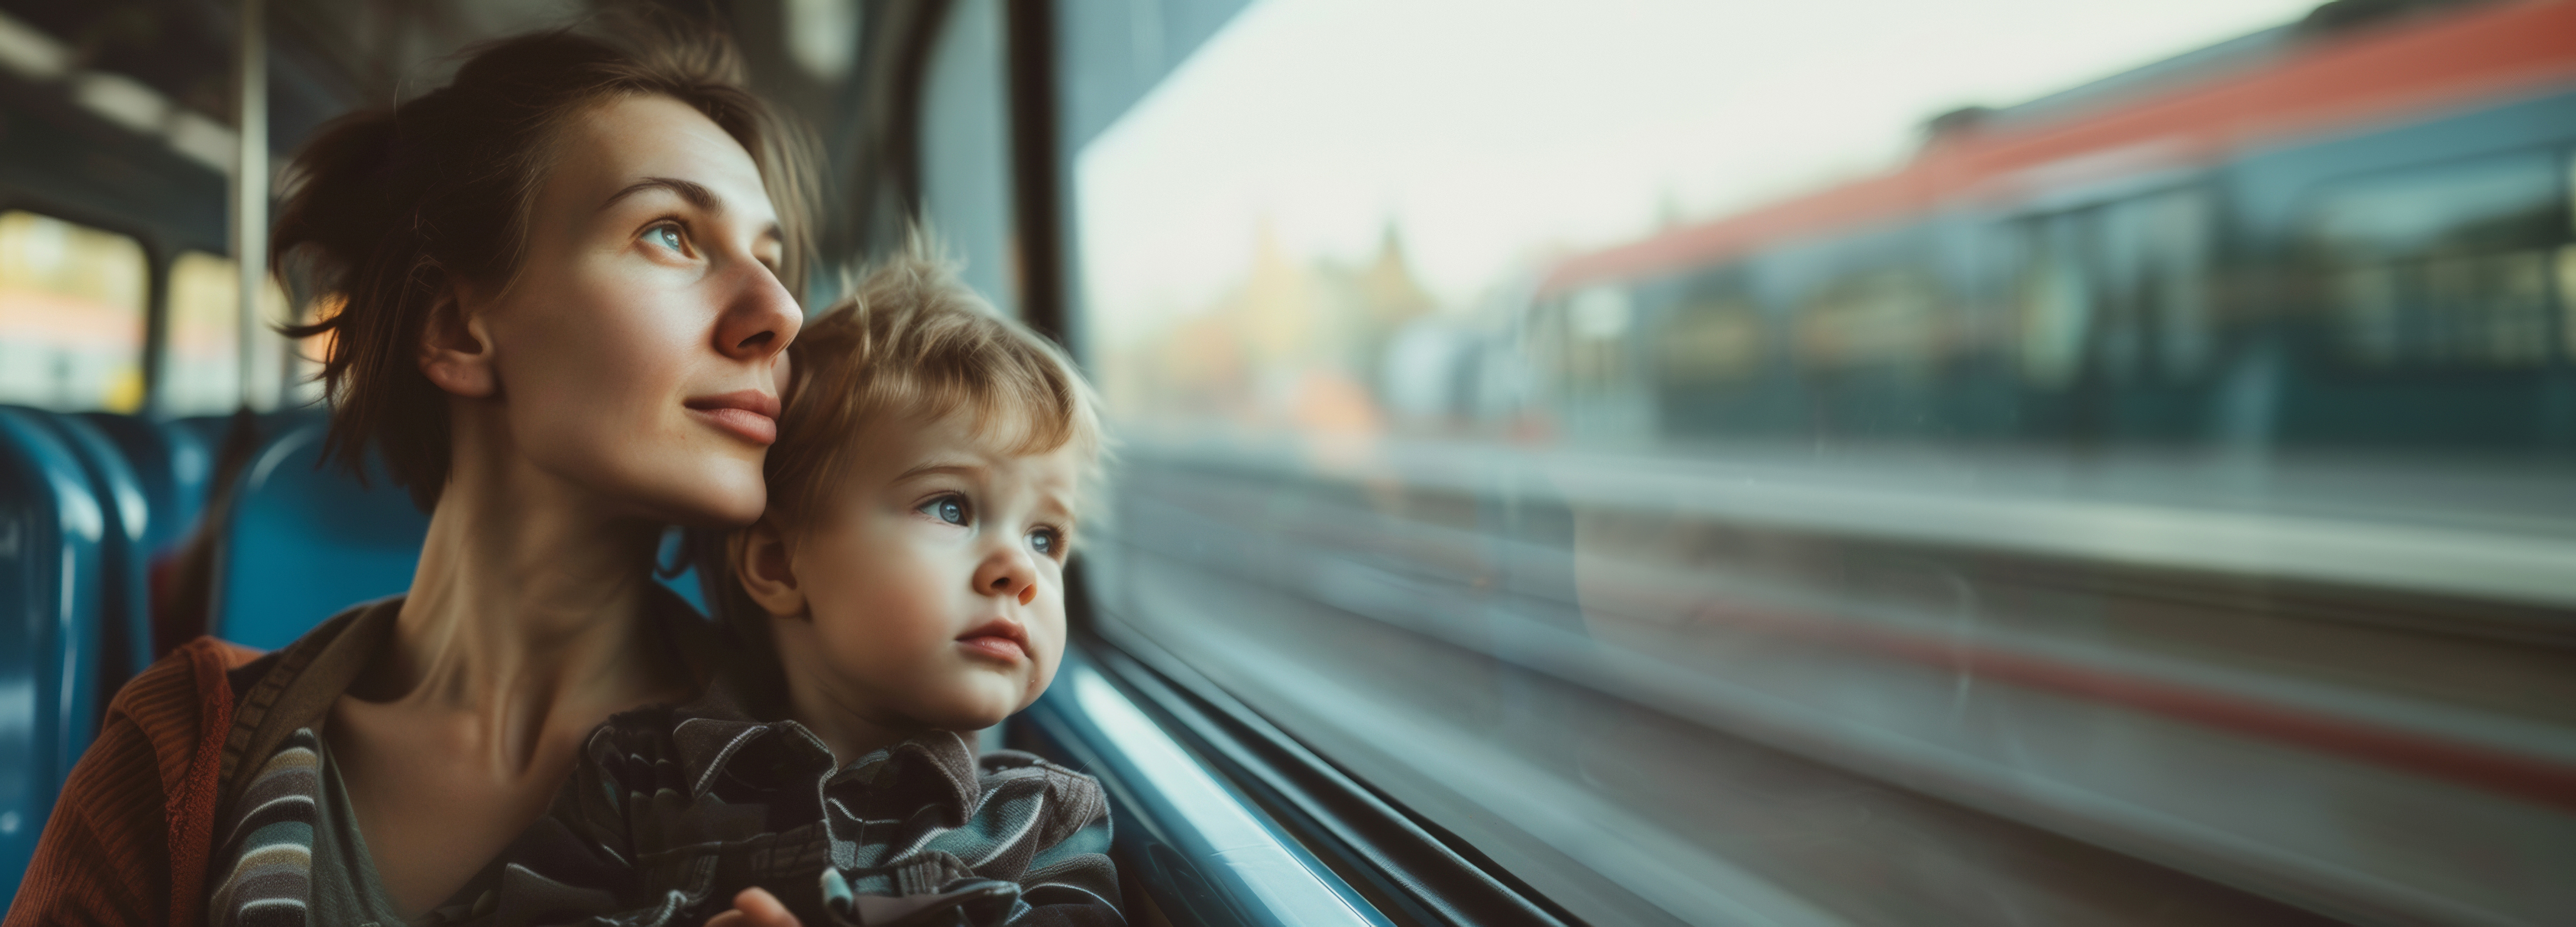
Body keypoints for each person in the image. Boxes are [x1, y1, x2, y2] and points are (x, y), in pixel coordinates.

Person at [5, 15, 816, 927]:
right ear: (456, 330)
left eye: (774, 261)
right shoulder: (180, 751)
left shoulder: (848, 767)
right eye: (671, 233)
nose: (780, 312)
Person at [477, 248, 1121, 927]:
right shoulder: (641, 778)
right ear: (782, 564)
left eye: (1046, 537)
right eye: (951, 507)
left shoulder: (1046, 820)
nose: (1019, 571)